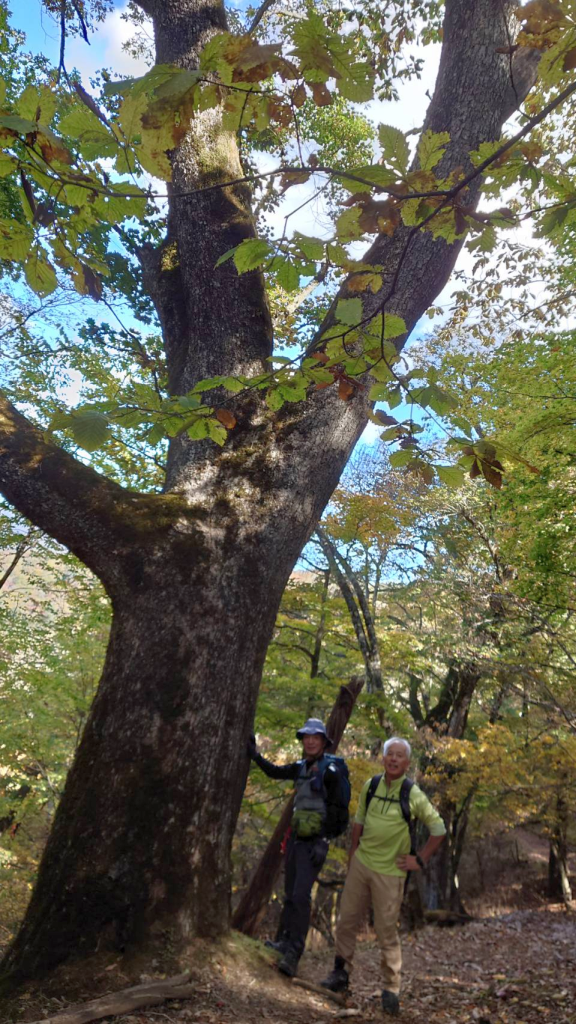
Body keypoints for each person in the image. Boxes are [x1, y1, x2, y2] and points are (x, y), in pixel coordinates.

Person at [320, 737, 446, 1017]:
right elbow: (360, 821)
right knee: (346, 920)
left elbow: (438, 828)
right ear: (383, 757)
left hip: (391, 872)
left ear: (407, 762)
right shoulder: (371, 785)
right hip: (362, 864)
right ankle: (340, 975)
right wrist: (353, 854)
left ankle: (391, 989)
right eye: (390, 754)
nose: (394, 759)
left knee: (387, 931)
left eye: (400, 755)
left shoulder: (412, 794)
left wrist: (420, 860)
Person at [248, 718, 348, 978]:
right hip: (295, 841)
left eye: (316, 737)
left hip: (314, 843)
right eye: (307, 737)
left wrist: (325, 841)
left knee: (302, 896)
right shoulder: (302, 767)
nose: (311, 741)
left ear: (324, 742)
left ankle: (294, 953)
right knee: (291, 893)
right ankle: (283, 942)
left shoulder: (331, 770)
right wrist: (254, 755)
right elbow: (275, 771)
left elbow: (340, 813)